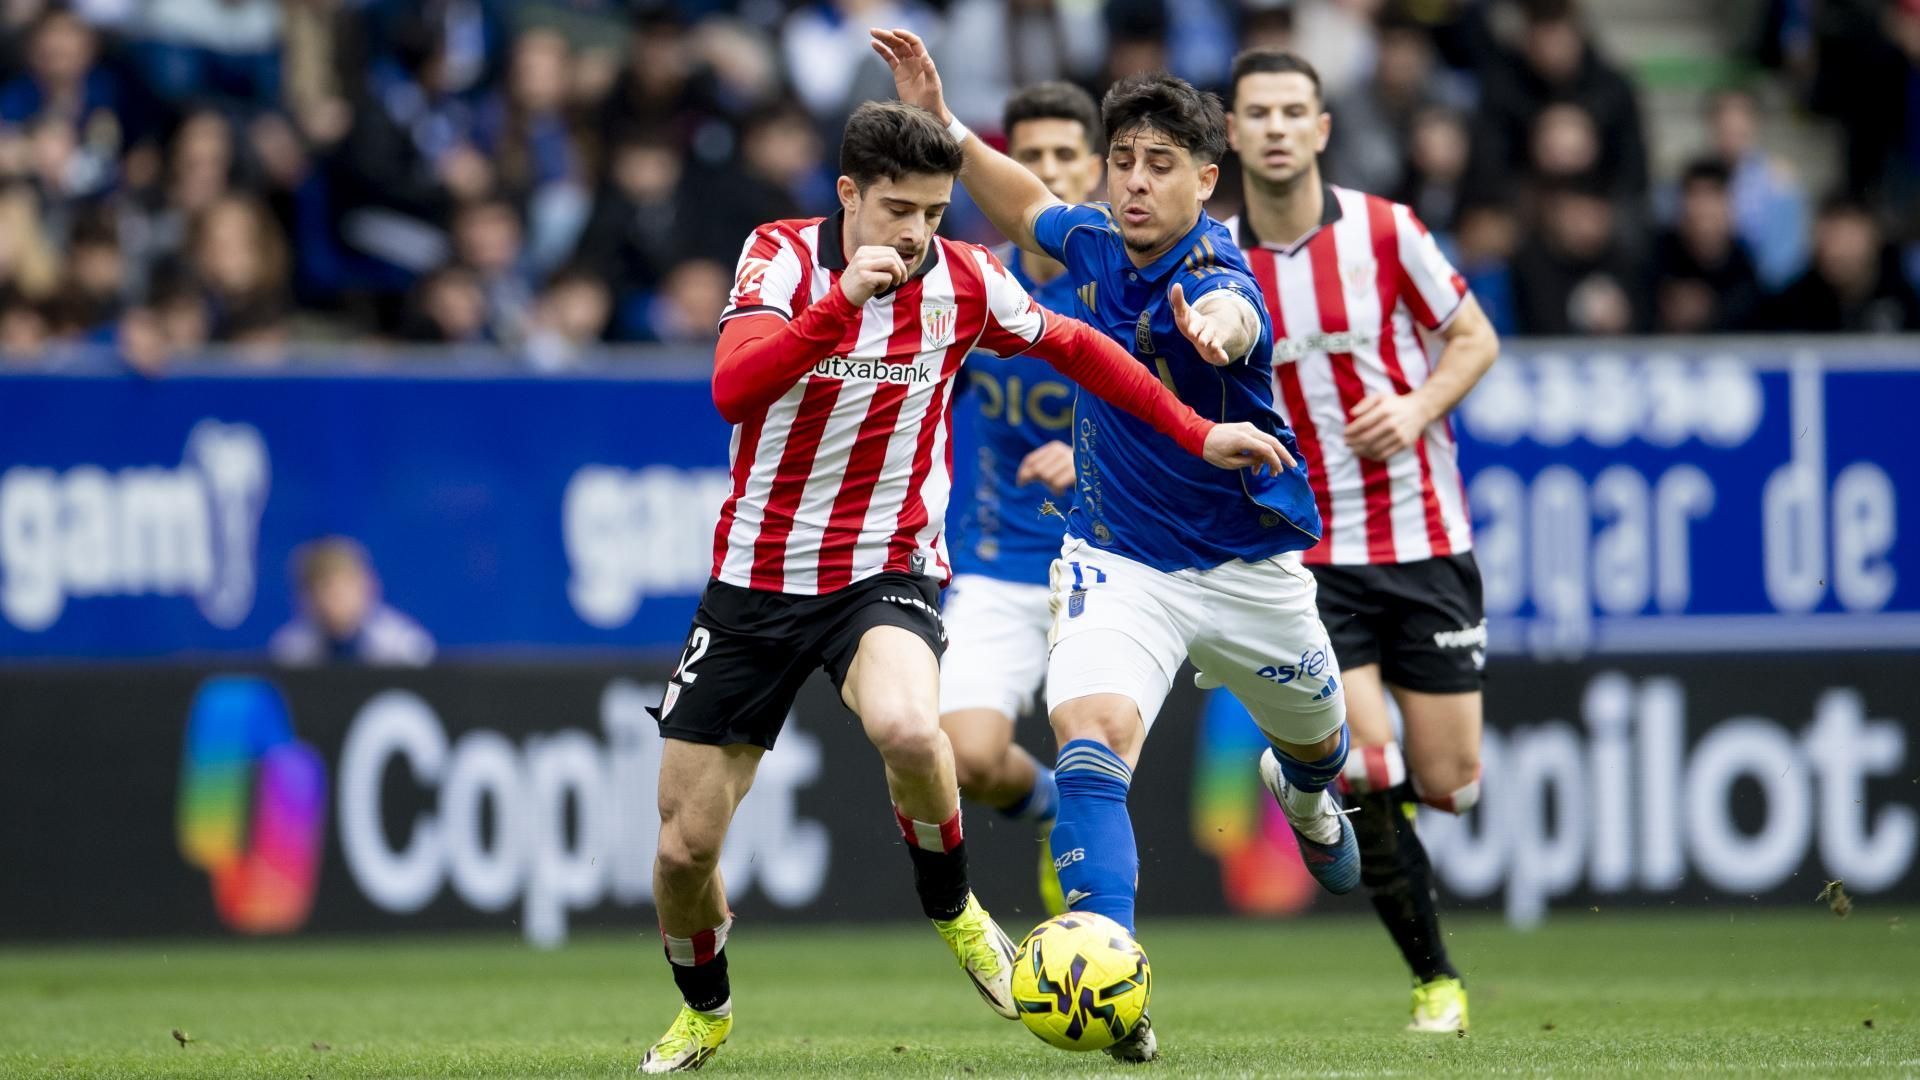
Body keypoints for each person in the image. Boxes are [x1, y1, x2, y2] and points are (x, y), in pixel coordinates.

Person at [635, 99, 1288, 1074]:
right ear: (849, 193)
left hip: (883, 568)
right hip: (754, 582)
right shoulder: (780, 256)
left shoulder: (967, 279)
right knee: (685, 852)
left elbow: (1079, 348)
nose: (916, 234)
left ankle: (956, 913)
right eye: (898, 210)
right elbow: (734, 388)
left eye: (935, 213)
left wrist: (1196, 433)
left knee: (910, 727)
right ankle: (706, 1009)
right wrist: (838, 304)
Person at [875, 28, 1355, 1065]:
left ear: (1206, 180)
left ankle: (1307, 794)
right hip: (1119, 560)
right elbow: (1019, 206)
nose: (1135, 183)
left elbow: (1231, 318)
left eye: (1160, 165)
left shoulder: (1219, 269)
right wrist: (944, 122)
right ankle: (1111, 981)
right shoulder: (1093, 243)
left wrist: (1215, 332)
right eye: (1125, 162)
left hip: (1247, 571)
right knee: (1090, 742)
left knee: (1324, 743)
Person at [1221, 48, 1501, 1033]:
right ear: (1232, 132)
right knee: (1372, 770)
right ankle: (1436, 981)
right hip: (1306, 559)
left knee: (1451, 786)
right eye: (1259, 113)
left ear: (1322, 128)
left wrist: (1417, 407)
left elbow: (1475, 338)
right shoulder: (1214, 262)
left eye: (1293, 111)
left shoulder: (1387, 231)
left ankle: (1317, 778)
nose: (1277, 128)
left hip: (1422, 539)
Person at [939, 81, 1106, 918]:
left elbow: (1194, 419)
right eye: (1029, 155)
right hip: (999, 557)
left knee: (1095, 749)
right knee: (963, 758)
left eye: (1063, 155)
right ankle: (1044, 810)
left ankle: (1103, 926)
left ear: (1096, 168)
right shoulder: (976, 285)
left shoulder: (1127, 284)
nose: (1045, 170)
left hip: (1110, 561)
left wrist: (1095, 455)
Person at [269, 537, 435, 666]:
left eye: (346, 586)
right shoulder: (289, 650)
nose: (336, 598)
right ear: (306, 598)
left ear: (368, 586)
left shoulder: (403, 646)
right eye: (325, 589)